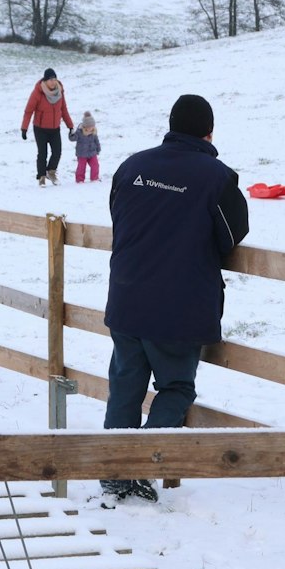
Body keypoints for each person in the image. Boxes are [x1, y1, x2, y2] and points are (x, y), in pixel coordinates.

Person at [101, 94, 250, 503]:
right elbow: (233, 236)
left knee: (125, 386)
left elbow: (119, 216)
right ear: (209, 133)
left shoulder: (132, 167)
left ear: (171, 126)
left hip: (127, 298)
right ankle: (142, 467)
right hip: (179, 308)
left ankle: (113, 473)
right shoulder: (217, 177)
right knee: (177, 387)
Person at [20, 68, 73, 186]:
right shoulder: (38, 92)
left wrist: (70, 126)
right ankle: (42, 177)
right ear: (45, 80)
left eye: (54, 79)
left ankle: (51, 172)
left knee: (57, 152)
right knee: (42, 153)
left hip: (55, 128)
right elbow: (28, 111)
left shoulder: (60, 91)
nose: (53, 82)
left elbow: (63, 109)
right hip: (40, 129)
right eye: (50, 79)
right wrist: (24, 128)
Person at [69, 110, 102, 183]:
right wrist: (71, 134)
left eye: (92, 127)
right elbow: (73, 138)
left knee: (95, 165)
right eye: (89, 127)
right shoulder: (79, 132)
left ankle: (94, 178)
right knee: (81, 167)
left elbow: (96, 141)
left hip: (92, 152)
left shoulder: (93, 132)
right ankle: (80, 179)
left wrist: (98, 148)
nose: (90, 128)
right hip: (82, 154)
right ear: (85, 126)